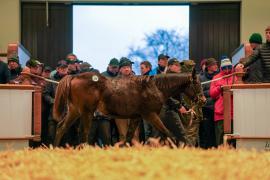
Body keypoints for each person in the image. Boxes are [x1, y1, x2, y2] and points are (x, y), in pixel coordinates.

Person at [210, 58, 237, 146]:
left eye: (229, 67)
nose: (227, 70)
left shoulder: (236, 77)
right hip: (220, 113)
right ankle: (221, 156)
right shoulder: (216, 78)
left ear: (231, 67)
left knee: (234, 138)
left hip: (234, 113)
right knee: (220, 138)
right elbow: (212, 94)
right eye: (224, 68)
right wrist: (219, 88)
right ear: (221, 68)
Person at [43, 61, 69, 145]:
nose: (64, 70)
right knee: (51, 135)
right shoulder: (51, 80)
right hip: (53, 111)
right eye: (62, 68)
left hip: (67, 112)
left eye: (65, 68)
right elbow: (45, 94)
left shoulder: (70, 80)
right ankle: (51, 154)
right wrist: (53, 101)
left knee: (65, 136)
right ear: (57, 69)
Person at [199, 58, 219, 148]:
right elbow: (199, 92)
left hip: (217, 107)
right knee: (207, 130)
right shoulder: (201, 77)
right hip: (206, 108)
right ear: (208, 67)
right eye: (214, 64)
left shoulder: (219, 76)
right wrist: (212, 92)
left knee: (216, 130)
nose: (216, 66)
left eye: (216, 64)